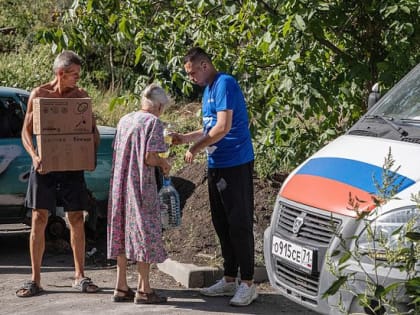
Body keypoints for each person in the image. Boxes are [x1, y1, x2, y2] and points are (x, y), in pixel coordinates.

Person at [171, 47, 257, 306]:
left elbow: (223, 127)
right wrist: (185, 138)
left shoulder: (225, 83)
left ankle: (248, 284)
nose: (191, 78)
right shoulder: (208, 90)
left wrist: (194, 148)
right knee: (222, 222)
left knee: (239, 223)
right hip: (216, 163)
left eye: (193, 72)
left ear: (205, 65)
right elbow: (209, 126)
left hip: (236, 163)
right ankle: (229, 279)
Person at [16, 50, 100, 297]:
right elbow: (26, 132)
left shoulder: (81, 97)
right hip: (45, 167)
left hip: (72, 168)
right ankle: (35, 280)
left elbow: (90, 132)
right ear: (60, 73)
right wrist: (34, 156)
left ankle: (80, 275)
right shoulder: (39, 95)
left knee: (75, 218)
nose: (77, 79)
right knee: (38, 219)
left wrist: (90, 151)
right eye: (74, 75)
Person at [107, 83, 171, 304]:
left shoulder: (125, 119)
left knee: (122, 230)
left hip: (120, 185)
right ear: (160, 106)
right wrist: (164, 163)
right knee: (145, 230)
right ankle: (144, 289)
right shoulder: (153, 122)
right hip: (140, 186)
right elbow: (149, 158)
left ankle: (121, 286)